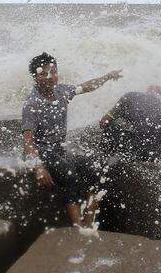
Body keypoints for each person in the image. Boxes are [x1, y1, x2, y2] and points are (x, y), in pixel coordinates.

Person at [22, 52, 122, 227]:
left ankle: (89, 222)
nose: (50, 77)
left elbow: (86, 86)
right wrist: (38, 167)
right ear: (35, 77)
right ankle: (78, 227)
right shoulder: (32, 104)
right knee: (69, 174)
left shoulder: (61, 91)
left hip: (58, 149)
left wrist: (107, 76)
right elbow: (28, 141)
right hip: (41, 150)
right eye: (44, 73)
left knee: (94, 168)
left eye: (53, 72)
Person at [99, 82, 161, 162]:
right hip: (159, 153)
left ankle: (103, 159)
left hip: (138, 150)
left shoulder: (129, 96)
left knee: (112, 126)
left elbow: (104, 121)